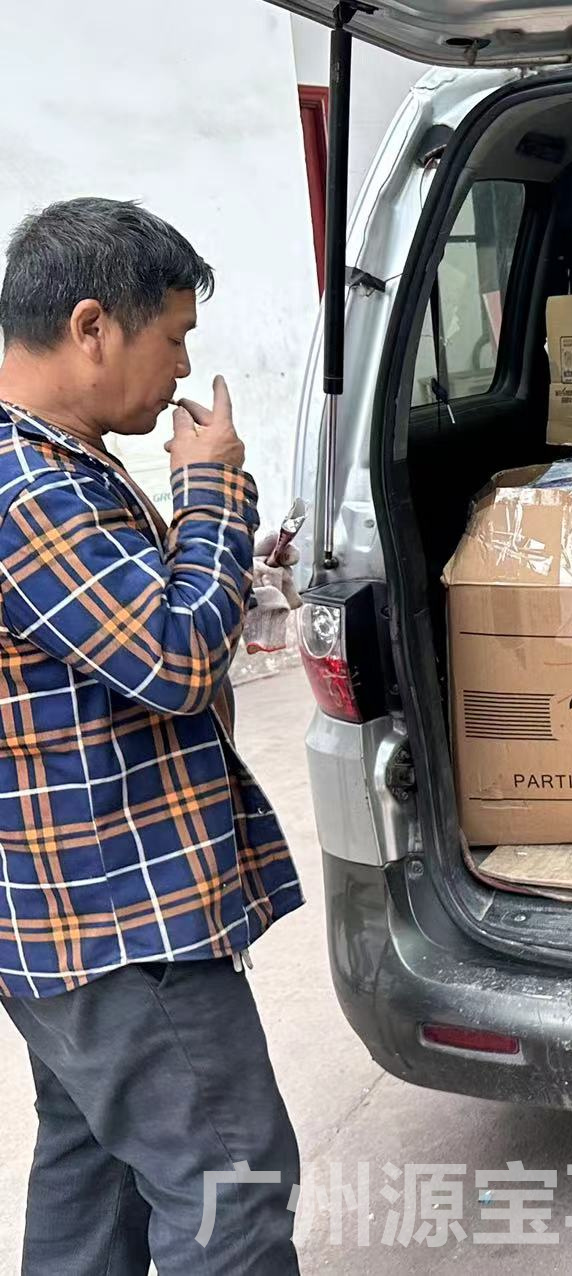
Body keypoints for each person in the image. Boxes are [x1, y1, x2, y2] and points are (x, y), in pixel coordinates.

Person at [0, 198, 303, 1274]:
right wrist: (213, 493)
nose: (181, 367)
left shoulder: (55, 463)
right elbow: (174, 660)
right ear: (92, 326)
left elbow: (135, 626)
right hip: (121, 922)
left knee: (94, 1173)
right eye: (172, 336)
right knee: (232, 1185)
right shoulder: (28, 488)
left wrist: (216, 538)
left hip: (70, 927)